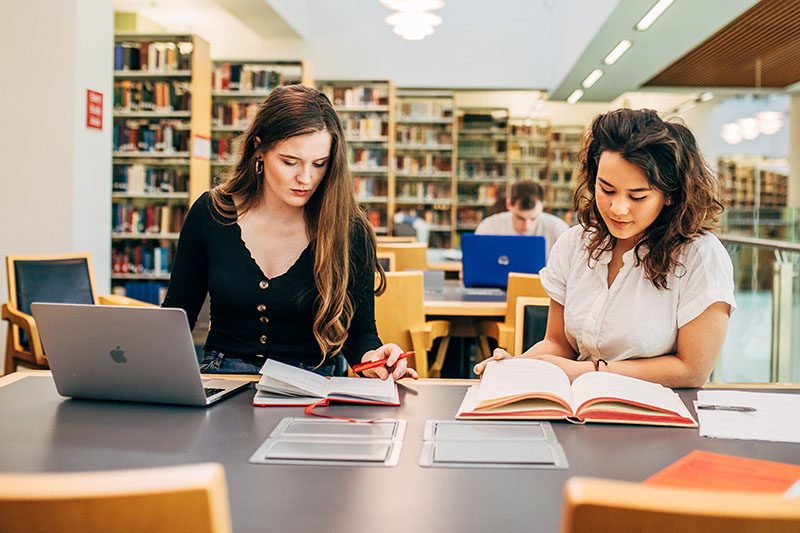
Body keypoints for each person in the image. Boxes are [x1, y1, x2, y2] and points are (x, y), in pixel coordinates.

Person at [163, 84, 416, 380]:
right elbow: (176, 317)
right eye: (289, 162)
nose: (305, 178)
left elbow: (361, 335)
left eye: (319, 164)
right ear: (259, 149)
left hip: (312, 386)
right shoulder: (211, 212)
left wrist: (374, 359)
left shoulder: (349, 228)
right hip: (223, 379)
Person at [474, 108, 736, 389]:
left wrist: (587, 372)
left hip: (660, 416)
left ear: (669, 195)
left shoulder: (700, 256)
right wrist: (516, 365)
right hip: (579, 409)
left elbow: (691, 370)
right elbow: (558, 344)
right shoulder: (576, 244)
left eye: (638, 196)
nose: (618, 209)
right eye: (607, 189)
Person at [475, 180, 569, 260]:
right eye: (520, 218)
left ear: (542, 207)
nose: (526, 225)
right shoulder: (488, 227)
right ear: (508, 204)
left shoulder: (559, 230)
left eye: (533, 218)